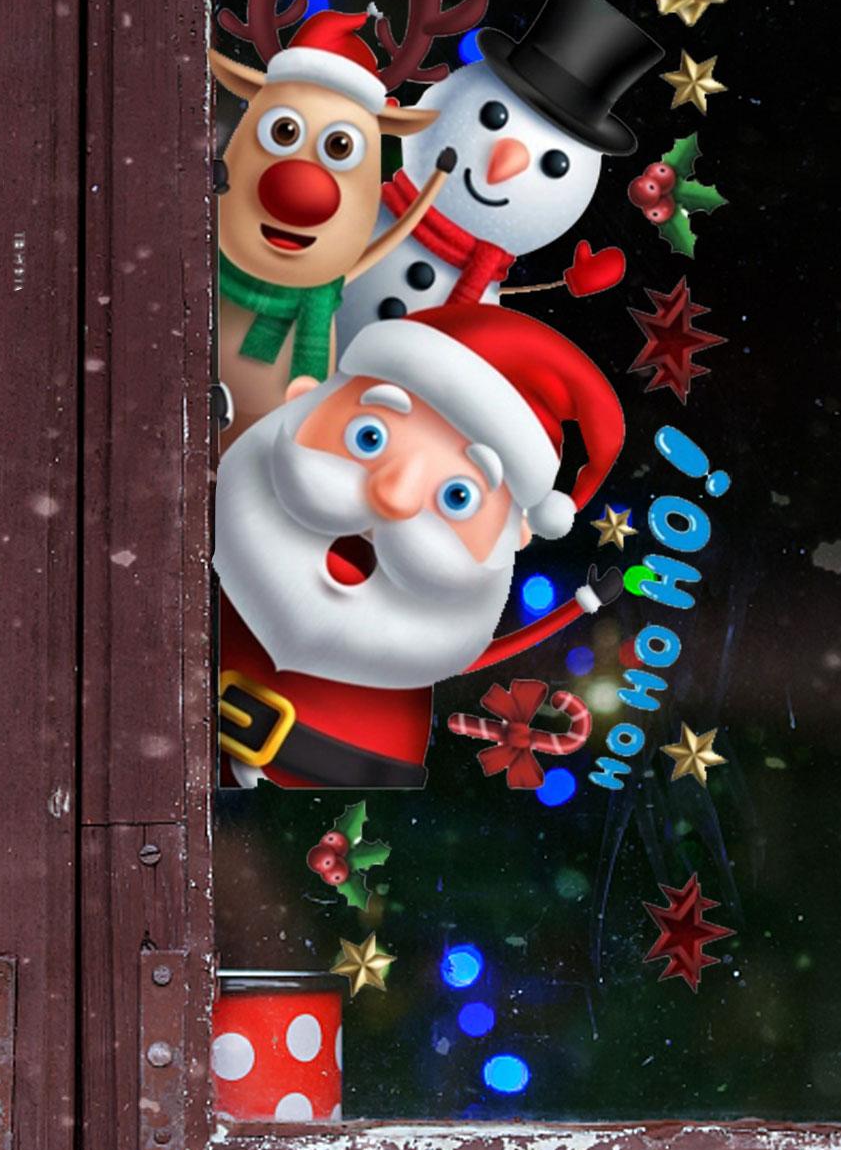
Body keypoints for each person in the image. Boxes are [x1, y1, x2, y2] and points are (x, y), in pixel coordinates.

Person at [214, 302, 625, 789]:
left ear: (513, 538)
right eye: (368, 437)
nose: (393, 495)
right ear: (302, 400)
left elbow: (483, 652)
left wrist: (581, 606)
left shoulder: (421, 652)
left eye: (459, 497)